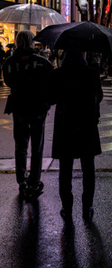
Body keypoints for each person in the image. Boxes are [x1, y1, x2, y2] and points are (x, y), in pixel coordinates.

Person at [47, 50, 103, 220]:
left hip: (66, 125)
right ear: (83, 55)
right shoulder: (92, 72)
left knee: (65, 169)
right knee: (88, 168)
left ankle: (67, 207)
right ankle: (87, 206)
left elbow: (50, 99)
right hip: (87, 124)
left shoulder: (57, 74)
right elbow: (98, 96)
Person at [2, 30, 53, 200]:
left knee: (21, 145)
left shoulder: (9, 63)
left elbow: (8, 81)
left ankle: (21, 180)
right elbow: (49, 85)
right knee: (37, 146)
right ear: (32, 42)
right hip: (38, 108)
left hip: (19, 108)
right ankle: (34, 179)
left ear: (16, 42)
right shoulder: (43, 63)